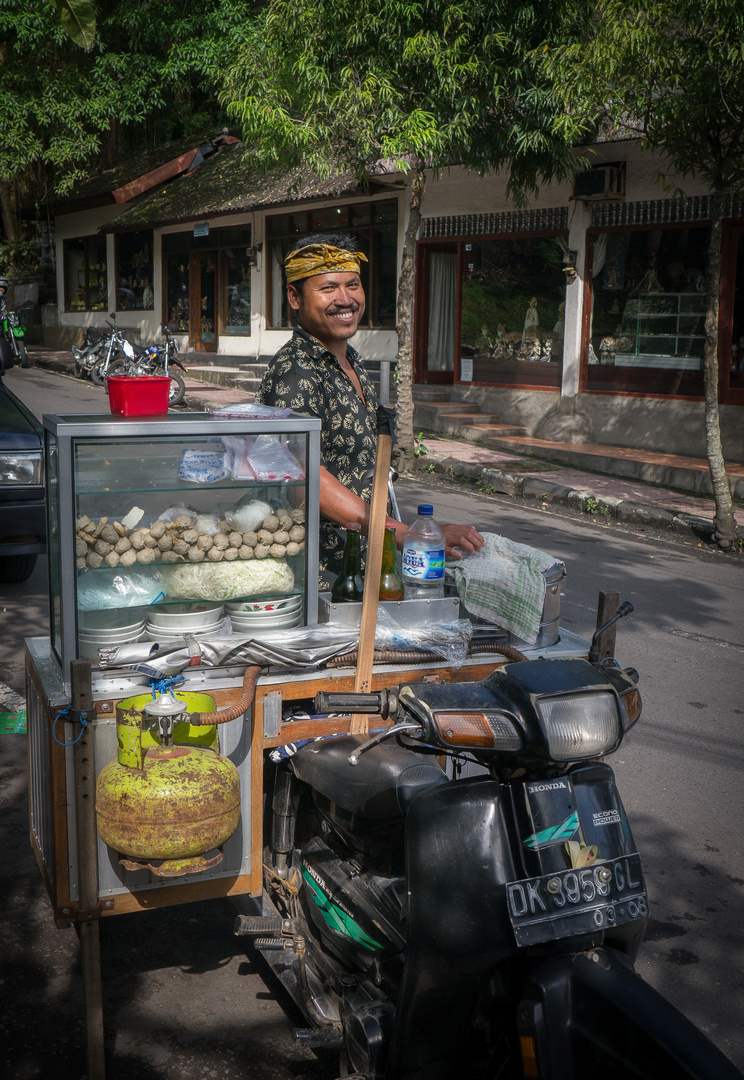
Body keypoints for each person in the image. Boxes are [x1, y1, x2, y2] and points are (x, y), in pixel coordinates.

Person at [255, 233, 484, 586]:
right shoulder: (296, 371)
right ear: (294, 297)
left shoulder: (352, 361)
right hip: (325, 574)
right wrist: (405, 533)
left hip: (369, 558)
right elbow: (302, 480)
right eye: (328, 288)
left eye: (353, 285)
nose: (345, 299)